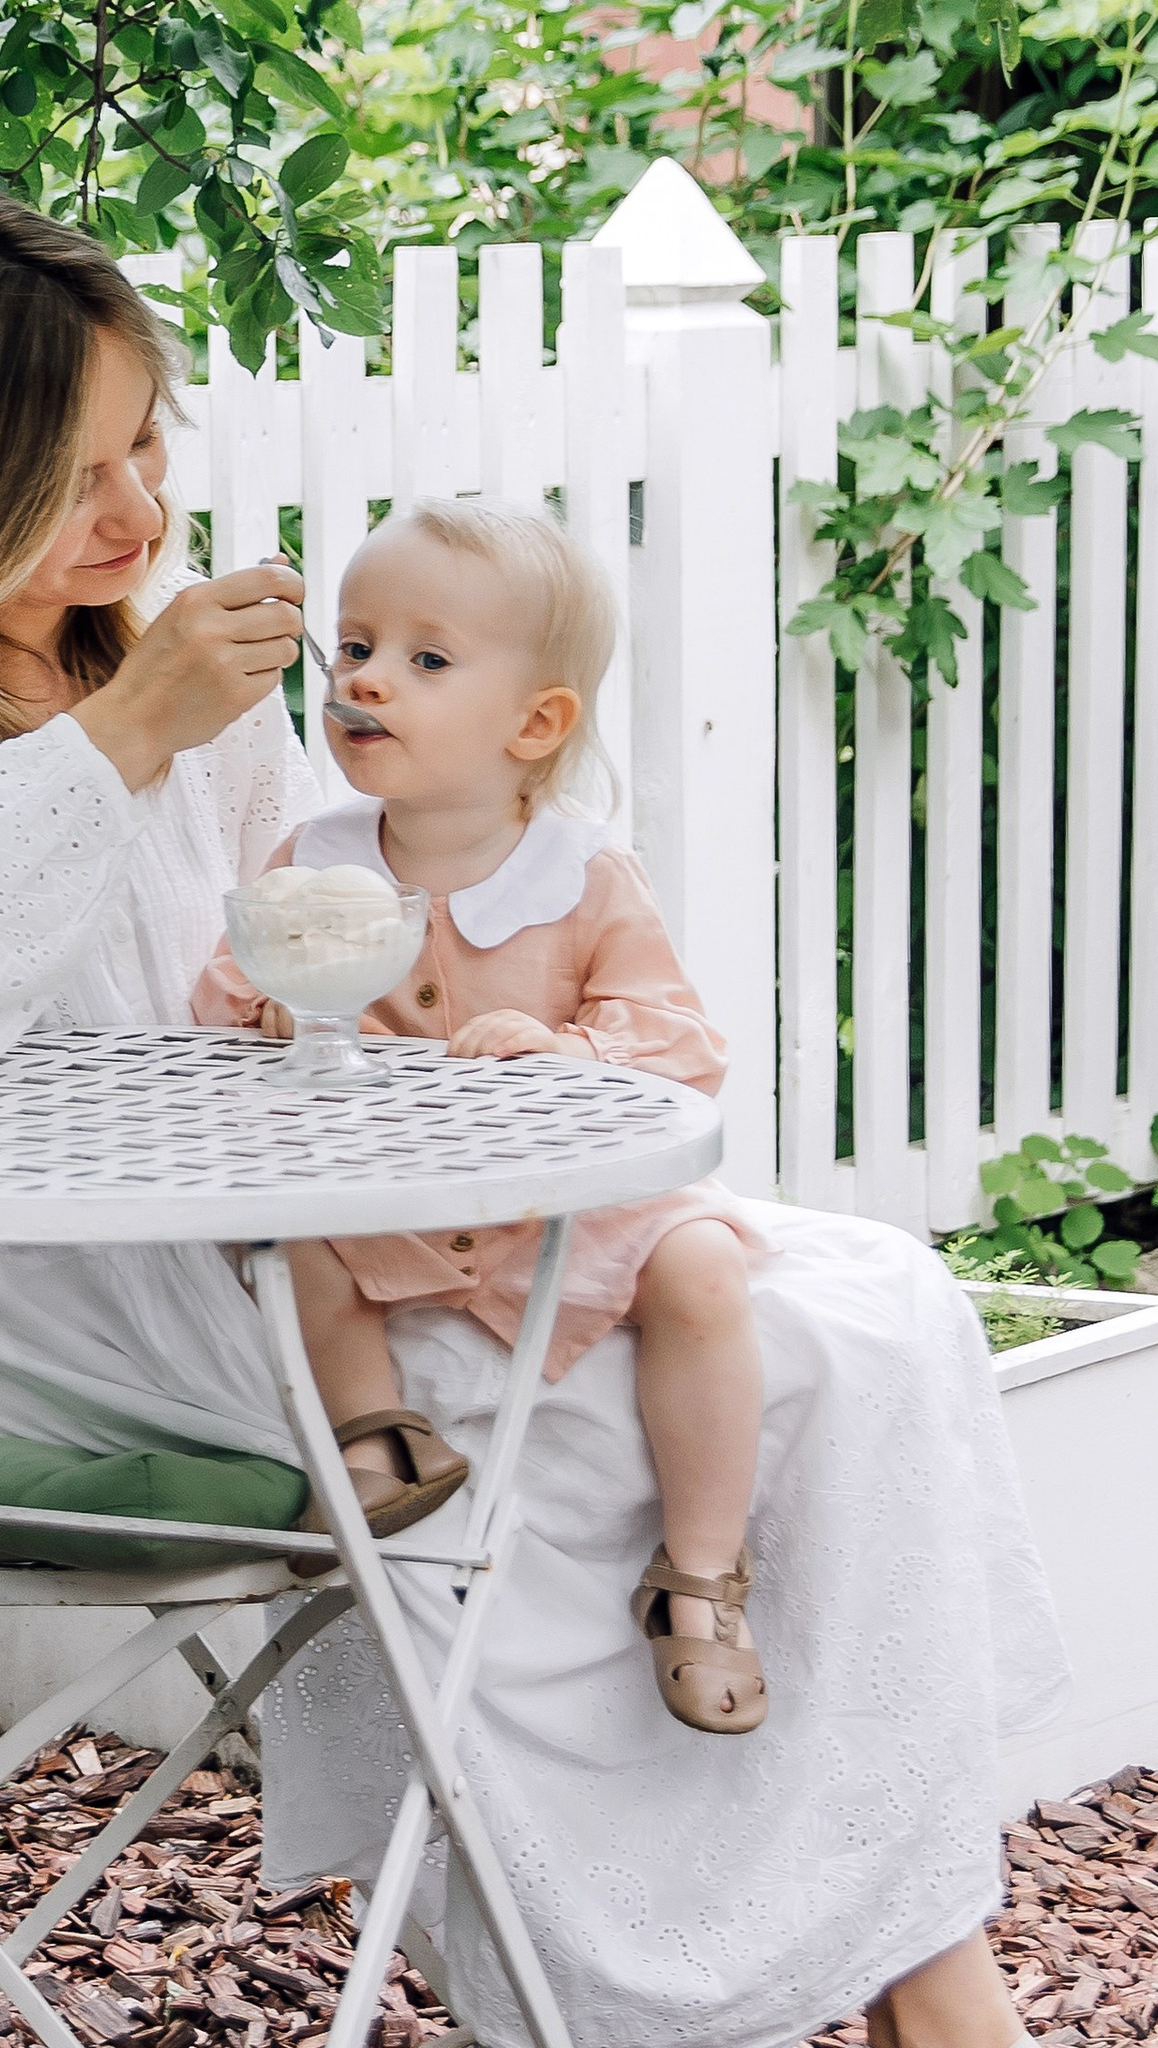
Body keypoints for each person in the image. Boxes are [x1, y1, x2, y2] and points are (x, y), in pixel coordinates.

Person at [0, 181, 1158, 2048]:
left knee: (865, 1307)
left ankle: (842, 2001)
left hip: (279, 1206)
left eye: (150, 450)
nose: (137, 515)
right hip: (56, 1286)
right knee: (683, 1390)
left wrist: (447, 1011)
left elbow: (273, 966)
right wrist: (129, 735)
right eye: (74, 476)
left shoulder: (136, 644)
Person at [194, 498, 768, 1736]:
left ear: (536, 722)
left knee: (706, 1266)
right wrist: (276, 1010)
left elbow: (679, 1045)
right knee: (285, 1244)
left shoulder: (577, 876)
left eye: (425, 659)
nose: (368, 680)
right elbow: (224, 996)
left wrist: (562, 1048)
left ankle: (702, 1575)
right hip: (389, 1202)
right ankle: (376, 1443)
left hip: (561, 1211)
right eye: (353, 648)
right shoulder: (319, 851)